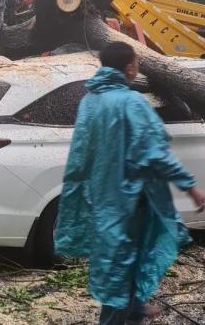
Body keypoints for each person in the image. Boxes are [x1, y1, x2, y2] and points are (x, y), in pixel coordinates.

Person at [54, 42, 205, 325]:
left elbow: (82, 152)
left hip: (102, 198)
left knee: (119, 263)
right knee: (122, 274)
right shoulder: (131, 102)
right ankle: (127, 310)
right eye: (136, 62)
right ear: (129, 67)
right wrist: (190, 187)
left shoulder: (90, 100)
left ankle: (135, 306)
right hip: (131, 201)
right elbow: (155, 153)